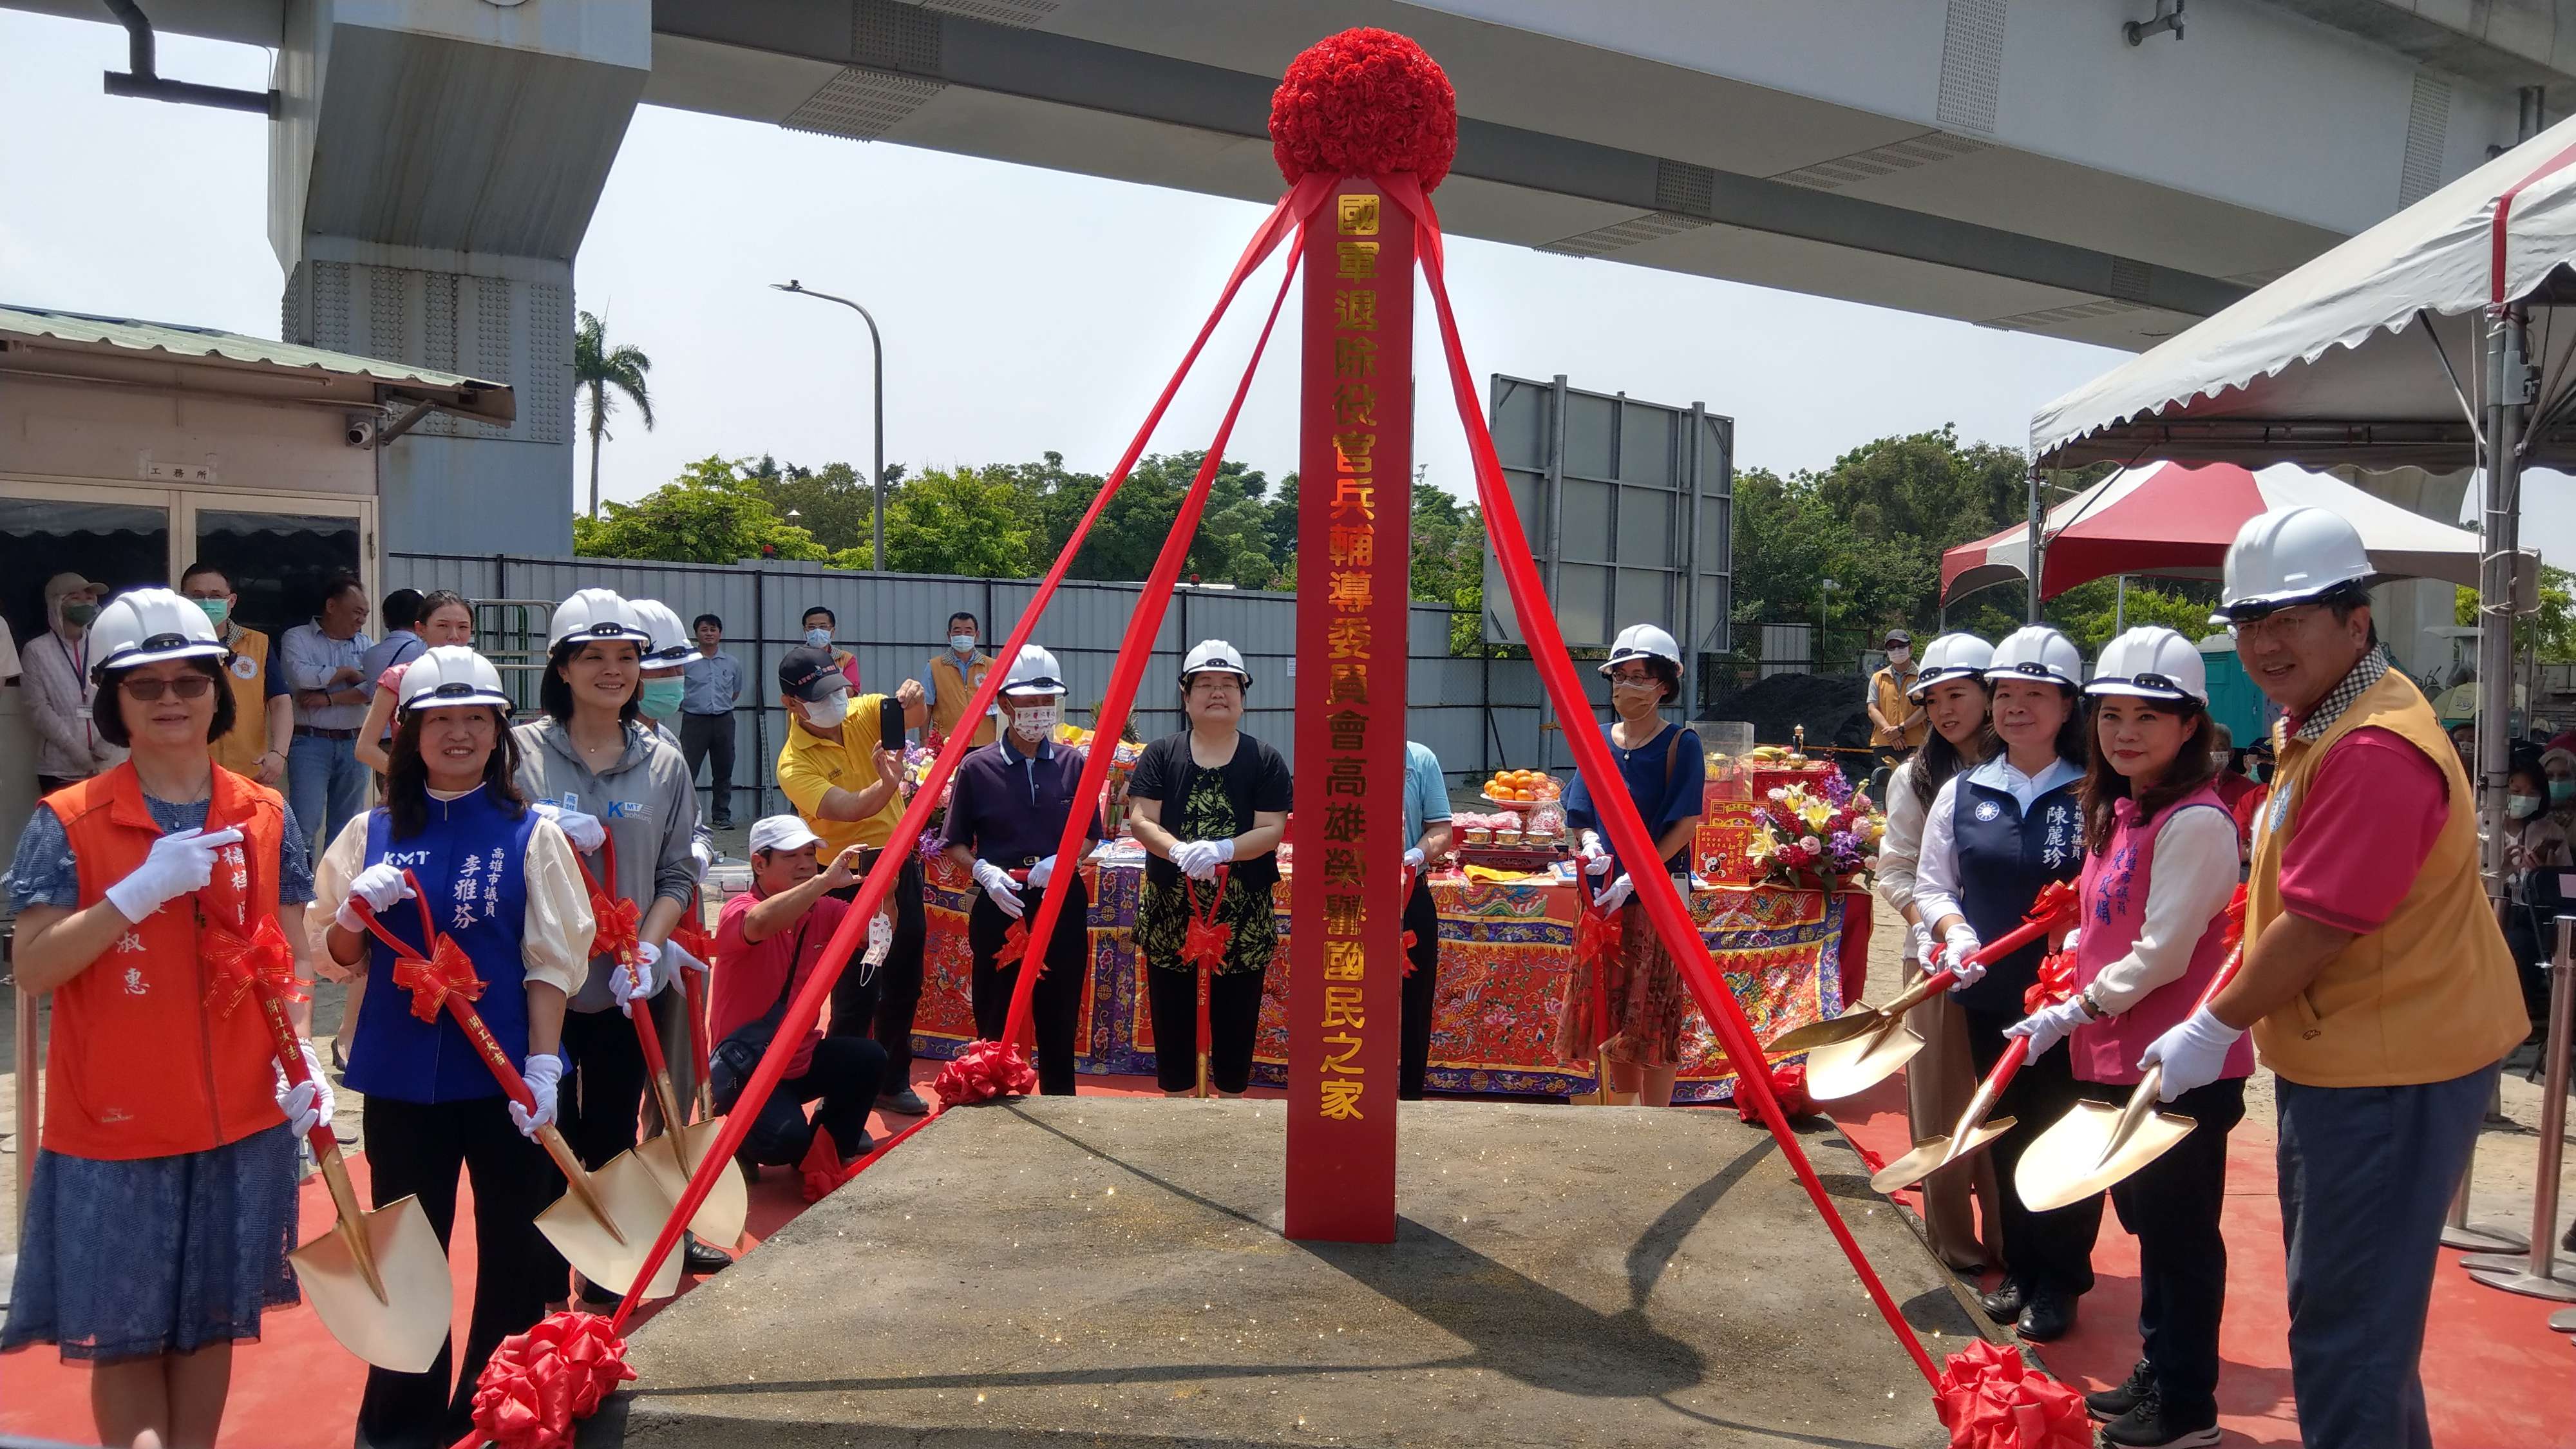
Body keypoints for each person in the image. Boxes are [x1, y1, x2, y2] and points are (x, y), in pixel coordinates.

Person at [2137, 508, 2526, 1449]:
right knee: (2361, 1326)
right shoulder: (2331, 720)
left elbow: (2319, 922)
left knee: (2348, 1334)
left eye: (2292, 617)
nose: (2265, 643)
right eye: (2249, 621)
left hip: (2394, 1069)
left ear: (2356, 621)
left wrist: (2211, 1024)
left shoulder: (2372, 746)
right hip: (2357, 1055)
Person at [4, 589, 324, 1449]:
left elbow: (289, 954)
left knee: (213, 1319)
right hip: (117, 1122)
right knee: (129, 1328)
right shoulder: (67, 820)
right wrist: (134, 893)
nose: (172, 698)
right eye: (145, 686)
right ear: (114, 703)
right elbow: (32, 967)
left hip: (238, 1120)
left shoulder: (264, 812)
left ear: (221, 690)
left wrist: (306, 1063)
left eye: (191, 679)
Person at [308, 647, 594, 1448]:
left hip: (505, 1077)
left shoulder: (529, 833)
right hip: (400, 1078)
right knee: (407, 1253)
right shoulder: (369, 832)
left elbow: (550, 960)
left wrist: (543, 1064)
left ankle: (497, 1405)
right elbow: (332, 958)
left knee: (512, 1249)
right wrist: (350, 918)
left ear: (500, 732)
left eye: (477, 718)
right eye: (441, 720)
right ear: (410, 734)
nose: (460, 734)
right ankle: (399, 1424)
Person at [2003, 627, 2247, 1449]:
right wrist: (2071, 962)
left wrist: (2073, 1007)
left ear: (2190, 727)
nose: (2127, 731)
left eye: (2151, 714)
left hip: (2179, 1069)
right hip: (2119, 1057)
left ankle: (2187, 1408)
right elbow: (2109, 924)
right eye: (2112, 714)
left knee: (2179, 1237)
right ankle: (2159, 1367)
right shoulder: (2122, 809)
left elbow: (2163, 950)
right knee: (2148, 1228)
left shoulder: (2198, 822)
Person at [511, 587, 720, 1295]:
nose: (613, 670)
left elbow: (675, 871)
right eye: (592, 656)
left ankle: (604, 1271)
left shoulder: (663, 763)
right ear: (561, 668)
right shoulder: (518, 753)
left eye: (625, 656)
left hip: (626, 988)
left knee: (609, 1129)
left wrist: (651, 948)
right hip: (538, 986)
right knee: (545, 1133)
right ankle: (539, 1276)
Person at [1911, 624, 2092, 1343]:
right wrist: (1952, 932)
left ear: (2067, 705)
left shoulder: (2096, 790)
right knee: (2009, 1132)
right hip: (1992, 999)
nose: (2018, 708)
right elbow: (1933, 884)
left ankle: (2062, 1280)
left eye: (2036, 695)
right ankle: (2020, 1263)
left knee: (2065, 1134)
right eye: (2006, 694)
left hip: (2074, 1006)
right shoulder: (1964, 791)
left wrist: (2078, 956)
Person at [1874, 631, 2002, 1275]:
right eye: (1935, 698)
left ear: (1991, 693)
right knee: (1941, 1102)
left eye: (1960, 694)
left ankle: (2016, 1242)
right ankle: (1953, 1241)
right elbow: (1895, 871)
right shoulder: (1915, 779)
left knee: (2011, 1102)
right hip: (1934, 961)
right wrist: (1930, 930)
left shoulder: (2034, 768)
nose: (1947, 710)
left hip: (2014, 958)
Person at [773, 646, 934, 1116]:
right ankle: (841, 1105)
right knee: (855, 991)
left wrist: (915, 696)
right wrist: (888, 785)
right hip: (846, 875)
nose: (836, 702)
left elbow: (916, 713)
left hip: (898, 866)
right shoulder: (793, 764)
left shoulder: (865, 712)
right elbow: (847, 808)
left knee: (905, 978)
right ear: (792, 705)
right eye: (821, 697)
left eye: (838, 690)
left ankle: (892, 1078)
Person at [1129, 640, 1292, 1099]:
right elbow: (1141, 819)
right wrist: (1179, 851)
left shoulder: (1264, 759)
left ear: (1243, 696)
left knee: (1237, 1022)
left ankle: (1231, 1105)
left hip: (1241, 918)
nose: (1217, 693)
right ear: (1186, 696)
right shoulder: (1161, 754)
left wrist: (1223, 848)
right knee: (1173, 1018)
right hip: (1171, 914)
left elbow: (1272, 828)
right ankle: (1179, 1105)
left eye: (1228, 685)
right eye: (1205, 684)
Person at [944, 645, 1105, 1095]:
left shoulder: (1074, 764)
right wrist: (984, 872)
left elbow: (1092, 832)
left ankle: (1059, 1100)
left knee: (1059, 1011)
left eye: (1046, 703)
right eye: (1028, 704)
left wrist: (1066, 860)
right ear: (1004, 704)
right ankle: (992, 1094)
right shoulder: (978, 767)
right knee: (996, 1013)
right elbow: (953, 842)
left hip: (1060, 902)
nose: (1038, 713)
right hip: (1002, 901)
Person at [1558, 623, 1707, 1109]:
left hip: (1656, 899)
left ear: (1664, 684)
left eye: (1639, 676)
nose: (1626, 686)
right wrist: (1590, 841)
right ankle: (1622, 1116)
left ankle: (1658, 1121)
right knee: (1614, 1008)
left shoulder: (1680, 745)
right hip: (1604, 903)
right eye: (1619, 676)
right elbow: (1579, 813)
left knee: (1656, 1010)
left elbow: (1684, 825)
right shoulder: (1596, 739)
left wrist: (1639, 874)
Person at [710, 817, 889, 1166]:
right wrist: (823, 884)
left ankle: (825, 1152)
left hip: (798, 1058)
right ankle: (747, 1141)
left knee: (869, 1057)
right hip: (748, 1067)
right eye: (792, 856)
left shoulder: (824, 908)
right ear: (759, 864)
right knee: (785, 1142)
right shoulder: (740, 908)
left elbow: (879, 937)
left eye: (810, 854)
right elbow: (760, 923)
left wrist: (887, 892)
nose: (806, 864)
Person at [282, 572, 375, 858]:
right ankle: (297, 896)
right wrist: (348, 673)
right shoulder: (297, 637)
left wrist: (328, 698)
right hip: (310, 743)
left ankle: (335, 897)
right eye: (356, 612)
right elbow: (301, 678)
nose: (361, 619)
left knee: (347, 829)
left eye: (365, 614)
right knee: (304, 825)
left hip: (354, 744)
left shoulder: (367, 645)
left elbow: (374, 689)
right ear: (331, 606)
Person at [180, 562, 293, 786]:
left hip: (248, 772)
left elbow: (280, 701)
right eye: (198, 596)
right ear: (182, 601)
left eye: (215, 596)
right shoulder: (171, 647)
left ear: (231, 601)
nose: (207, 603)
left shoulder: (258, 644)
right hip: (184, 772)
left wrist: (279, 754)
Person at [355, 591, 475, 776]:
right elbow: (365, 748)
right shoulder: (398, 677)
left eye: (463, 627)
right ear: (421, 629)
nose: (454, 635)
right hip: (412, 795)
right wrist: (410, 780)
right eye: (442, 626)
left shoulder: (481, 674)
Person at [24, 571, 119, 791]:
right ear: (57, 603)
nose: (85, 603)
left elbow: (120, 697)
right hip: (59, 769)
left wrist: (105, 746)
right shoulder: (36, 650)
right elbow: (38, 709)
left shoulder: (106, 644)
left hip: (108, 764)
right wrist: (77, 753)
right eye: (76, 598)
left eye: (90, 598)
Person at [1397, 739, 1455, 1101]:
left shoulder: (1418, 757)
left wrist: (1416, 854)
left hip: (1408, 889)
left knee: (1415, 1000)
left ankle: (1411, 1095)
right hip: (1347, 897)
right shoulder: (1333, 751)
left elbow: (1441, 830)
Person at [681, 613, 743, 829]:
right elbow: (680, 691)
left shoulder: (732, 663)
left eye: (713, 630)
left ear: (720, 634)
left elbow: (735, 692)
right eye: (704, 630)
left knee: (724, 769)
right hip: (694, 721)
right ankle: (684, 817)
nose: (709, 633)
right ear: (696, 634)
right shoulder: (687, 662)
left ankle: (721, 815)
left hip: (724, 720)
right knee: (688, 770)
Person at [922, 609, 998, 748]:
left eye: (968, 631)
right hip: (947, 743)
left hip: (986, 742)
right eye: (957, 631)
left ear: (977, 635)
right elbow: (926, 706)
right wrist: (924, 739)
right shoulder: (934, 667)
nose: (963, 635)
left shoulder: (992, 666)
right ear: (949, 636)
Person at [629, 599, 695, 748]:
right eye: (660, 667)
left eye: (678, 665)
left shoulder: (669, 744)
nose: (672, 674)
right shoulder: (604, 748)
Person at [1868, 628, 1928, 781]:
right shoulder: (1878, 678)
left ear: (1910, 648)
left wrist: (1901, 729)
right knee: (1885, 791)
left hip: (1915, 743)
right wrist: (1892, 734)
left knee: (1914, 788)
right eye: (1892, 647)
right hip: (1884, 744)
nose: (1897, 651)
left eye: (1901, 646)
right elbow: (1872, 708)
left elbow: (1926, 709)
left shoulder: (1923, 677)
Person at [800, 605, 862, 692]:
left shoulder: (846, 659)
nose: (818, 631)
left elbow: (851, 691)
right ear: (805, 631)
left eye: (823, 627)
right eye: (811, 627)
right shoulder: (796, 660)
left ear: (832, 632)